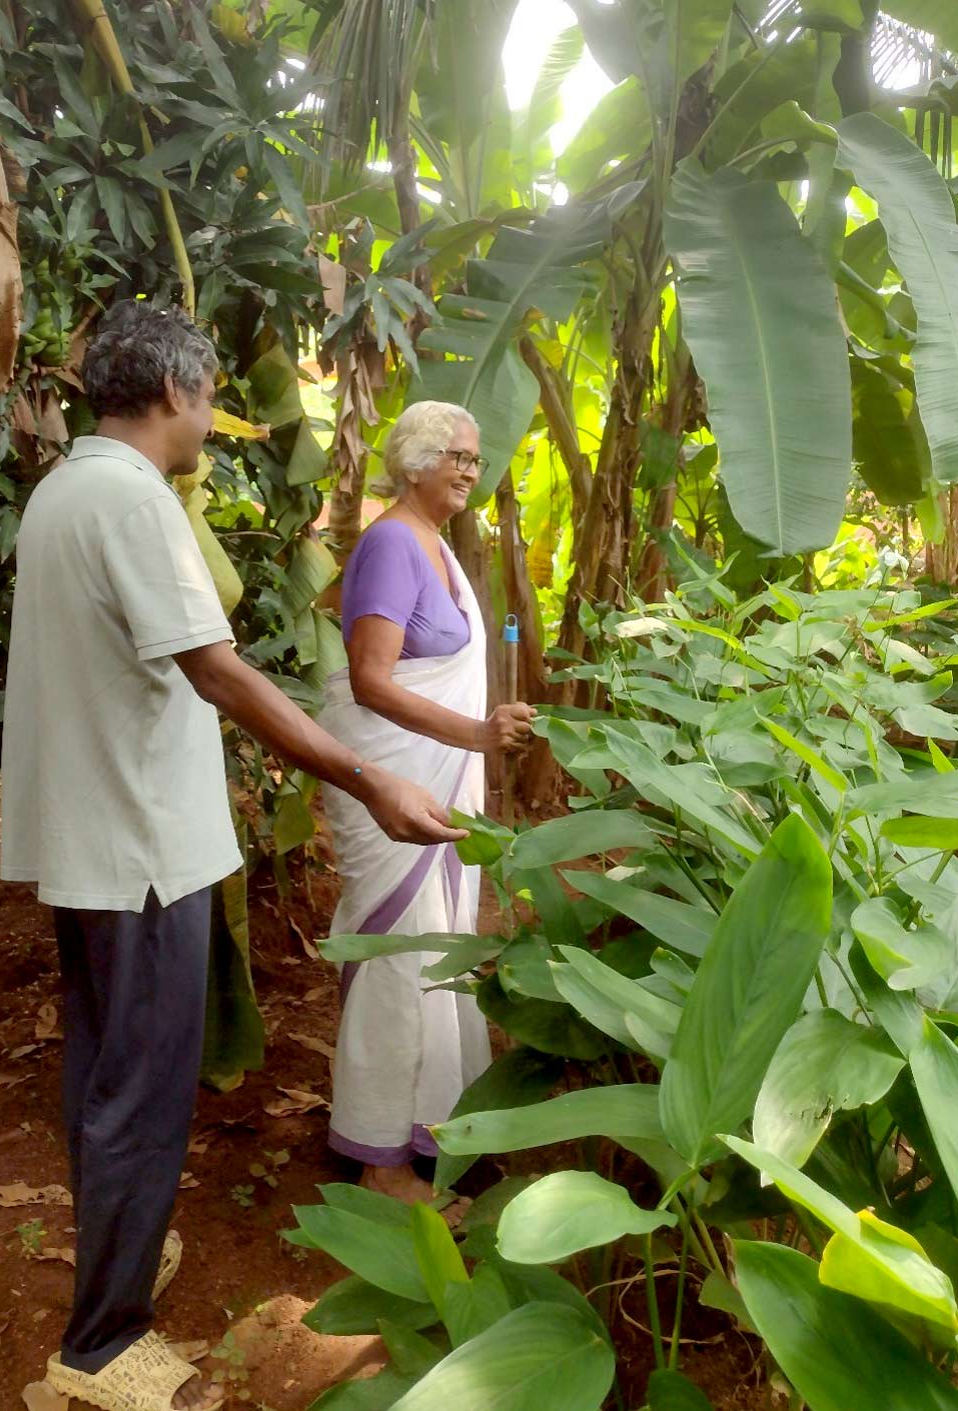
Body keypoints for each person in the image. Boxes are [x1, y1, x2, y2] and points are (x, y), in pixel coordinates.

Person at [0, 302, 465, 1411]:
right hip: (141, 847)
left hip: (93, 836)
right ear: (173, 392)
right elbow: (218, 670)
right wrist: (368, 777)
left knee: (105, 1072)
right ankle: (104, 1349)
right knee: (139, 1091)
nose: (211, 418)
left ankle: (123, 1247)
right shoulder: (133, 499)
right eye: (206, 397)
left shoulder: (65, 489)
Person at [320, 400, 536, 1209]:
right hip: (396, 783)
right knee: (396, 957)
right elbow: (372, 681)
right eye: (458, 455)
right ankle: (378, 1159)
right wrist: (478, 733)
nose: (471, 471)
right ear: (415, 460)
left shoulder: (437, 545)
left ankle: (428, 1125)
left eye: (476, 459)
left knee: (435, 950)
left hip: (438, 777)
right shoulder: (388, 544)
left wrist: (483, 734)